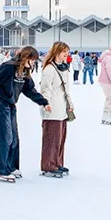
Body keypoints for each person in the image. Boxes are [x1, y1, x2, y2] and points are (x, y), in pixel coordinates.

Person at [0, 46, 50, 183]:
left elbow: (30, 90)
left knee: (14, 137)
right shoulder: (8, 67)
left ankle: (10, 166)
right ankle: (0, 170)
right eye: (31, 59)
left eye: (34, 60)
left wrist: (43, 102)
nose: (33, 63)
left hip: (10, 105)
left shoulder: (24, 73)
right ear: (25, 57)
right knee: (3, 136)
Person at [39, 42, 73, 178]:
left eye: (68, 52)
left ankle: (57, 162)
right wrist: (45, 103)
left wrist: (70, 103)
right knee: (52, 138)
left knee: (60, 138)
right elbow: (45, 88)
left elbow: (66, 89)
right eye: (64, 51)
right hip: (52, 108)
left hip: (62, 108)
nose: (66, 54)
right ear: (56, 52)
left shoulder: (63, 68)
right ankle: (48, 165)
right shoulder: (49, 69)